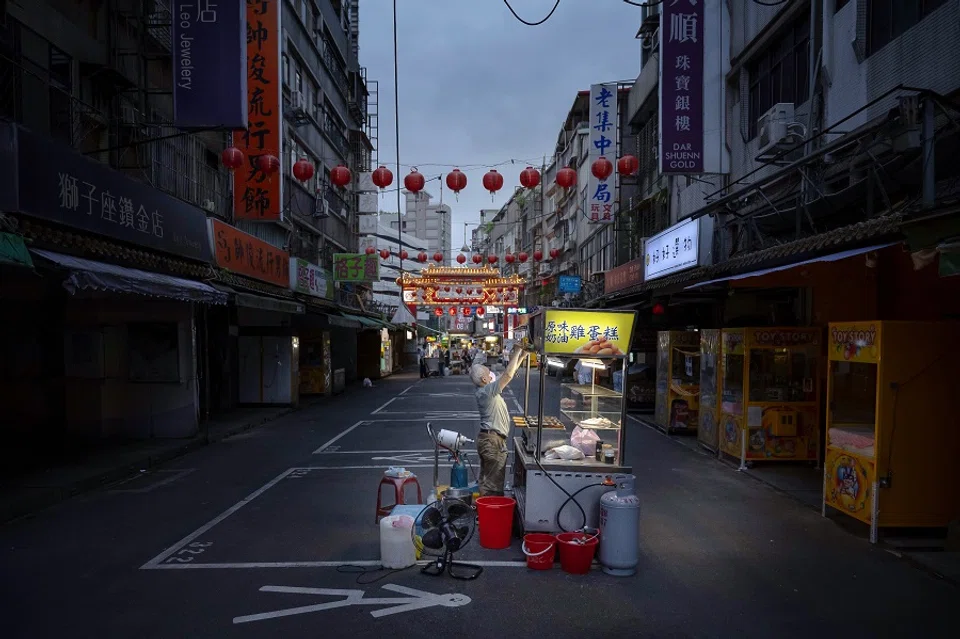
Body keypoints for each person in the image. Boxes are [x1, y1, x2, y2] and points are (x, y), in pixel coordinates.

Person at [470, 347, 526, 496]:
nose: (491, 375)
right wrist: (518, 351)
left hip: (489, 439)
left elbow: (509, 373)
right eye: (488, 373)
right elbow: (507, 375)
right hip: (492, 441)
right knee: (492, 486)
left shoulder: (486, 390)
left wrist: (522, 355)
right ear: (484, 379)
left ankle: (485, 506)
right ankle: (491, 508)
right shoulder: (486, 391)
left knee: (487, 481)